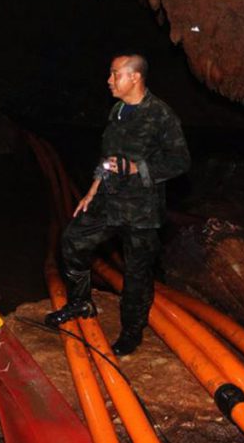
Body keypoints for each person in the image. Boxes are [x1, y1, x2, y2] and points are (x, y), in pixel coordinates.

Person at [45, 53, 190, 356]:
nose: (109, 80)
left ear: (134, 77)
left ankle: (131, 332)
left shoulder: (161, 115)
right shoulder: (118, 111)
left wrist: (140, 168)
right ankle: (80, 302)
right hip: (108, 201)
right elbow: (107, 158)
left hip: (142, 211)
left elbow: (180, 161)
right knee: (72, 240)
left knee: (137, 274)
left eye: (115, 74)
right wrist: (91, 191)